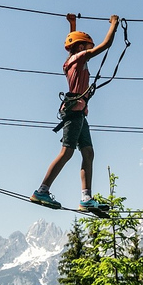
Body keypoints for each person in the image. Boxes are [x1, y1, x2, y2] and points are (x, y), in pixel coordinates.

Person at [30, 13, 120, 212]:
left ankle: (86, 198)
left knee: (88, 152)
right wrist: (113, 24)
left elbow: (73, 43)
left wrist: (73, 24)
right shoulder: (80, 57)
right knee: (67, 152)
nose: (90, 49)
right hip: (75, 112)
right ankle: (42, 190)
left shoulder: (70, 60)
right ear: (81, 48)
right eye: (88, 46)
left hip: (79, 112)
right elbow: (105, 45)